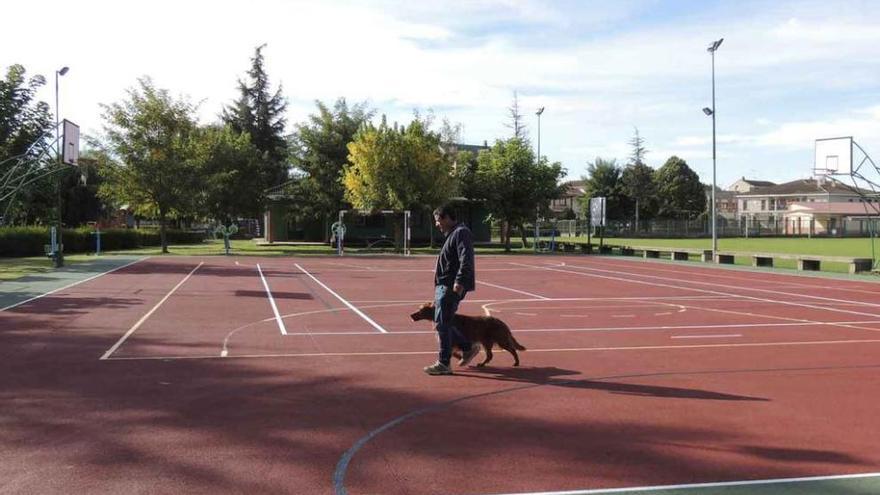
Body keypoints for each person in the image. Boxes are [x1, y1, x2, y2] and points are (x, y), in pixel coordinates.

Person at [424, 204, 480, 375]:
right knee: (443, 323)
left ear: (447, 217)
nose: (437, 224)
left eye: (438, 220)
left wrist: (460, 281)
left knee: (442, 323)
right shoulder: (453, 234)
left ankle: (444, 363)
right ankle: (467, 347)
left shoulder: (461, 232)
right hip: (444, 286)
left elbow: (466, 258)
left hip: (450, 286)